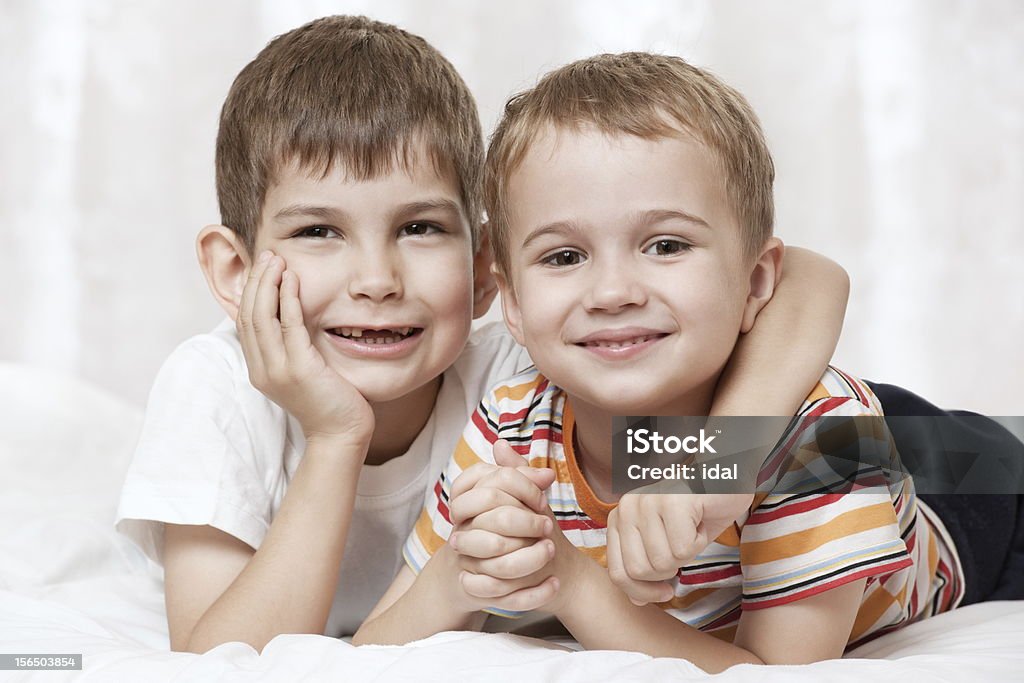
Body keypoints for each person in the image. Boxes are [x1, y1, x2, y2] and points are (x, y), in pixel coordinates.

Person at [115, 19, 854, 653]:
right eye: (318, 231)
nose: (377, 278)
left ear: (484, 272)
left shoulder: (516, 364)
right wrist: (336, 435)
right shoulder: (213, 388)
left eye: (419, 227)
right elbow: (223, 661)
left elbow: (808, 281)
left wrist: (715, 458)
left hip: (851, 452)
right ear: (235, 269)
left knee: (944, 457)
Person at [354, 52, 996, 671]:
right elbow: (365, 650)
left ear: (755, 282)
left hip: (966, 495)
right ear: (513, 303)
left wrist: (574, 585)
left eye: (665, 244)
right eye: (564, 257)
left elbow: (773, 672)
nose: (612, 293)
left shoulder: (823, 441)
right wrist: (458, 575)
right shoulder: (511, 422)